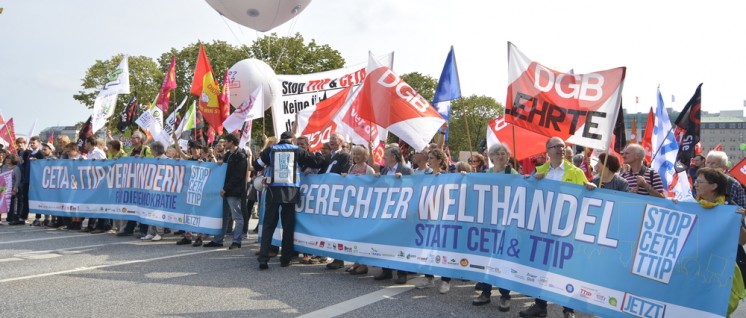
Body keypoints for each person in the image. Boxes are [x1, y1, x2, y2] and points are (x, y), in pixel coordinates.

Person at [520, 137, 586, 318]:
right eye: (556, 146)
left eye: (563, 146)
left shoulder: (577, 172)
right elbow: (526, 194)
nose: (560, 149)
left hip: (565, 227)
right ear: (547, 150)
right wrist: (530, 180)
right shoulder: (539, 171)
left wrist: (591, 189)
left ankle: (568, 310)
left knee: (564, 268)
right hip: (543, 226)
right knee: (540, 266)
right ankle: (540, 305)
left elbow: (585, 198)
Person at [254, 131, 322, 269]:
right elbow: (317, 162)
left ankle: (263, 258)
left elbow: (257, 165)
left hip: (273, 191)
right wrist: (318, 153)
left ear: (281, 139)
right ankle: (285, 259)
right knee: (288, 226)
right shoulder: (298, 150)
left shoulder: (271, 149)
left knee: (268, 225)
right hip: (290, 192)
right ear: (292, 140)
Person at [689, 168, 746, 315]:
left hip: (718, 268)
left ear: (713, 186)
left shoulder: (731, 209)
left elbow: (742, 240)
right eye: (696, 181)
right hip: (695, 267)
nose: (695, 184)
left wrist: (738, 224)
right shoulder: (690, 204)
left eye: (700, 181)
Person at [472, 143, 518, 311]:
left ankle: (505, 296)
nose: (500, 156)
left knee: (502, 259)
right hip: (488, 223)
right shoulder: (486, 174)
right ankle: (485, 293)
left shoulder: (512, 174)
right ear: (491, 156)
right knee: (487, 259)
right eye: (497, 153)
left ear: (507, 157)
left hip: (505, 224)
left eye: (503, 153)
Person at [416, 148, 455, 294]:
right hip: (426, 216)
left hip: (442, 217)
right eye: (429, 157)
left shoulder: (449, 176)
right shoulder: (424, 175)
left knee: (443, 249)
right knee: (426, 247)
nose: (429, 160)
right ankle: (429, 277)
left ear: (439, 160)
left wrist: (464, 176)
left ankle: (445, 280)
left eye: (432, 158)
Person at [374, 145, 414, 284]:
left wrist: (403, 180)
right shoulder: (385, 170)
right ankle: (386, 270)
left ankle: (402, 273)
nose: (383, 157)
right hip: (387, 211)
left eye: (386, 154)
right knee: (386, 239)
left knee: (400, 242)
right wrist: (377, 179)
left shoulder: (406, 170)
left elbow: (415, 187)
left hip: (401, 212)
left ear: (394, 156)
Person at [204, 134, 248, 249]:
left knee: (236, 216)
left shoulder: (241, 156)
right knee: (222, 216)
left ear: (232, 142)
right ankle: (218, 240)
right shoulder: (228, 155)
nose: (224, 145)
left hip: (234, 192)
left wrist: (225, 188)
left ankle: (236, 241)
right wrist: (220, 164)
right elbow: (225, 170)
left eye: (226, 142)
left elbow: (237, 176)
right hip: (226, 191)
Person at [340, 145, 376, 275]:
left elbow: (373, 186)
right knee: (354, 236)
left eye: (358, 154)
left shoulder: (369, 169)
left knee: (362, 236)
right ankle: (356, 262)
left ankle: (363, 264)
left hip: (363, 208)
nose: (355, 157)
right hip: (353, 208)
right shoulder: (351, 167)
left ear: (364, 156)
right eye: (354, 154)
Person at [140, 142, 168, 241]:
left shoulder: (167, 160)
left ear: (156, 150)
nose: (150, 151)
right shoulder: (152, 160)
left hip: (161, 190)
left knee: (158, 211)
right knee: (150, 211)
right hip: (152, 189)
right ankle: (151, 232)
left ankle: (160, 232)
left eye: (151, 149)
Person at [81, 136, 109, 233]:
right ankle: (91, 225)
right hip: (92, 181)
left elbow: (105, 165)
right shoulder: (90, 153)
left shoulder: (98, 152)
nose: (85, 145)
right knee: (92, 204)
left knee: (100, 204)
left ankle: (102, 226)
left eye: (86, 143)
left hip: (100, 181)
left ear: (89, 143)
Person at [2, 153, 23, 225]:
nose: (7, 160)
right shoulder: (4, 167)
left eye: (9, 158)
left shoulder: (16, 168)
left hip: (12, 188)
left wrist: (14, 189)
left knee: (12, 204)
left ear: (12, 160)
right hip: (4, 188)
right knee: (3, 203)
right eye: (6, 158)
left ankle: (11, 218)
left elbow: (18, 179)